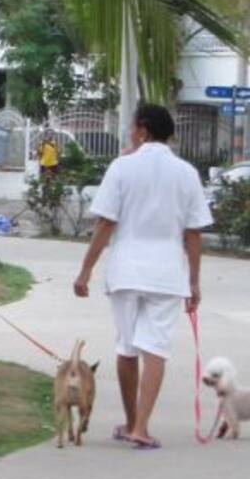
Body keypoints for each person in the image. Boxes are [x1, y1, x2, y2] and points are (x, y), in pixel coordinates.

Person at [73, 103, 211, 450]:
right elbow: (193, 233)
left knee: (126, 346)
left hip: (126, 270)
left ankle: (132, 420)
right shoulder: (186, 173)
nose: (130, 132)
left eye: (133, 126)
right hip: (167, 272)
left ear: (143, 130)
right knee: (156, 350)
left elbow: (106, 223)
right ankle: (142, 427)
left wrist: (86, 270)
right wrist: (194, 281)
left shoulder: (122, 167)